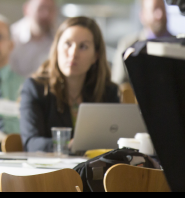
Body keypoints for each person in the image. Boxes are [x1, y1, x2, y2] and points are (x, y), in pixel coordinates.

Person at [20, 17, 119, 152]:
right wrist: (68, 145)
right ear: (56, 48)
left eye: (83, 46)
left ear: (95, 56)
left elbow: (116, 141)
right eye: (67, 44)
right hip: (51, 171)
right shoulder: (35, 88)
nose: (73, 54)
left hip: (95, 171)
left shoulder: (108, 91)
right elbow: (31, 143)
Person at [111, 0, 172, 85]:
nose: (160, 15)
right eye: (155, 9)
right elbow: (117, 84)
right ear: (142, 16)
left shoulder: (179, 46)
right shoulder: (128, 45)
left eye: (162, 8)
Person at [9, 0, 59, 77]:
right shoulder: (11, 36)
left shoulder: (60, 38)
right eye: (41, 8)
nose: (46, 14)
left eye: (50, 9)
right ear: (26, 9)